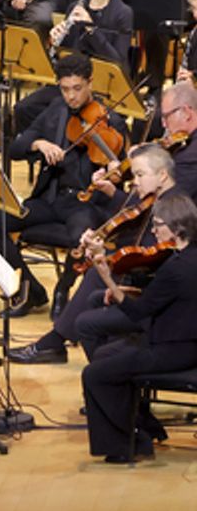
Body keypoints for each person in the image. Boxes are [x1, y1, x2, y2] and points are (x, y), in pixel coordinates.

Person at [0, 53, 125, 318]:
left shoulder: (112, 123)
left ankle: (62, 291)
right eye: (65, 89)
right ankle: (30, 290)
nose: (72, 97)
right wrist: (38, 144)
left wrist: (112, 173)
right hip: (49, 199)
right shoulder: (56, 110)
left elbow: (123, 174)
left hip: (84, 204)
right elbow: (16, 148)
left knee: (84, 238)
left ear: (90, 83)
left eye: (77, 89)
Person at [9, 143, 184, 366]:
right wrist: (103, 247)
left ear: (162, 175)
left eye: (140, 175)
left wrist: (107, 257)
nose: (134, 181)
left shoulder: (174, 209)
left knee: (93, 287)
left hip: (159, 296)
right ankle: (103, 365)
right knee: (94, 286)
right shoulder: (153, 199)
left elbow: (153, 257)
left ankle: (98, 364)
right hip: (145, 280)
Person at [81, 191, 197, 463]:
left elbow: (138, 313)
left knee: (95, 374)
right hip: (184, 342)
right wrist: (128, 290)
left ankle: (125, 445)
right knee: (104, 355)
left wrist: (106, 278)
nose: (154, 230)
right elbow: (167, 297)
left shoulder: (176, 267)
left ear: (177, 228)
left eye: (158, 224)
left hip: (173, 349)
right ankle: (143, 428)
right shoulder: (189, 257)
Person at [13, 0, 134, 135]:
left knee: (60, 114)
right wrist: (54, 43)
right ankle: (45, 154)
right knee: (24, 108)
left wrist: (91, 28)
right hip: (72, 84)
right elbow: (66, 56)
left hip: (102, 87)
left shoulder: (122, 13)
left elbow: (117, 59)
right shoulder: (75, 7)